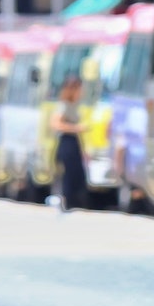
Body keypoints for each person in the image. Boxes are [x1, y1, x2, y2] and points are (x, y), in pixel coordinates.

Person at [51, 75, 87, 212]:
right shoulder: (64, 105)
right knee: (69, 174)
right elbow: (55, 124)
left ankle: (75, 203)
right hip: (67, 141)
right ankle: (68, 201)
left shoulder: (75, 105)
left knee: (77, 174)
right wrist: (76, 128)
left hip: (74, 141)